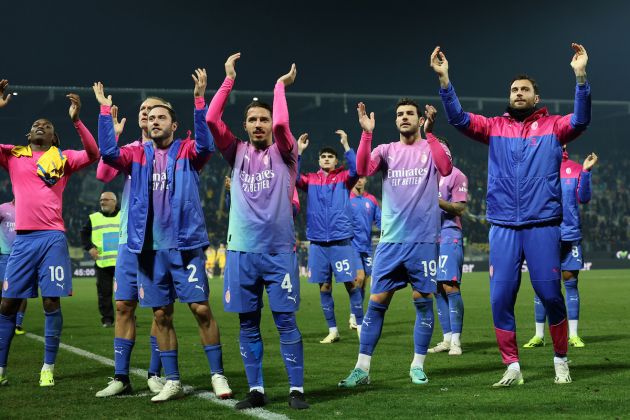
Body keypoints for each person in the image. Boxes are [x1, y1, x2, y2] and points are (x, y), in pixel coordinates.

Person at [431, 43, 591, 386]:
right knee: (500, 297)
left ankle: (561, 359)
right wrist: (445, 82)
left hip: (542, 225)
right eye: (514, 90)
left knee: (550, 295)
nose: (518, 94)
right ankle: (513, 366)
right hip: (503, 226)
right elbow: (459, 118)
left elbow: (581, 119)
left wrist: (580, 77)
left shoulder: (553, 126)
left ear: (536, 97)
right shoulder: (494, 127)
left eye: (525, 90)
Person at [94, 68, 232, 403]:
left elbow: (206, 144)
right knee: (160, 314)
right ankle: (172, 379)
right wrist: (102, 112)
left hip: (184, 246)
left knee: (200, 309)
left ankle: (217, 374)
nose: (155, 121)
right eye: (151, 117)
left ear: (173, 123)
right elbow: (108, 157)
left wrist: (200, 100)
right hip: (149, 249)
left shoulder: (188, 152)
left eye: (162, 117)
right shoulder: (136, 154)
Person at [206, 53, 308, 410]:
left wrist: (280, 86)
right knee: (248, 324)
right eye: (252, 119)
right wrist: (228, 79)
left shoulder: (286, 152)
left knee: (285, 322)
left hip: (279, 252)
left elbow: (282, 124)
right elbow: (210, 119)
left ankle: (296, 390)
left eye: (263, 118)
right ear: (245, 125)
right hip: (241, 253)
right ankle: (257, 389)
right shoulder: (235, 153)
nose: (260, 124)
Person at [338, 99, 453, 388]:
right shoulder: (386, 150)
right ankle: (362, 369)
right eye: (400, 114)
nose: (404, 118)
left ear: (419, 119)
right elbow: (363, 168)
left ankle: (417, 365)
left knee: (423, 303)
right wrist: (366, 134)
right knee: (376, 304)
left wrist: (430, 133)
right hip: (390, 242)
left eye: (409, 114)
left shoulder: (431, 146)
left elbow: (446, 168)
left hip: (422, 242)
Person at [0, 80, 99, 387]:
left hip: (53, 237)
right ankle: (1, 368)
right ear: (28, 135)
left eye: (46, 125)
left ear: (54, 137)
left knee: (50, 303)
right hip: (24, 239)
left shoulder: (63, 157)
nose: (40, 125)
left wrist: (77, 121)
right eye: (35, 124)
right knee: (7, 304)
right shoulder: (13, 154)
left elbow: (94, 153)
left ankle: (48, 367)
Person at [93, 99, 170, 397]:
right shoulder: (130, 151)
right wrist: (111, 135)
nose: (145, 112)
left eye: (152, 109)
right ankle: (121, 377)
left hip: (159, 241)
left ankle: (154, 373)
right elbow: (102, 175)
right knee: (124, 306)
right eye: (142, 109)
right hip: (129, 239)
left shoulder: (168, 149)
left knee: (160, 311)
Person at [524, 149, 597, 348]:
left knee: (570, 282)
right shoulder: (538, 169)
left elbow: (584, 198)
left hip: (570, 234)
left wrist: (587, 172)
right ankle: (539, 335)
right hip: (545, 235)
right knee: (542, 285)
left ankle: (573, 335)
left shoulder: (575, 169)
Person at [296, 131, 361, 343]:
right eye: (323, 156)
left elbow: (357, 169)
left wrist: (346, 145)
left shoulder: (344, 178)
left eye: (330, 157)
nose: (326, 158)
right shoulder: (311, 179)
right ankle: (333, 330)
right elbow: (294, 178)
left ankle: (360, 324)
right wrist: (299, 152)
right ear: (319, 160)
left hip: (340, 240)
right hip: (317, 242)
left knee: (351, 284)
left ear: (335, 161)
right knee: (324, 287)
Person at [428, 140, 468, 356]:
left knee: (450, 286)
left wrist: (436, 199)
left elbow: (459, 208)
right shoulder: (425, 173)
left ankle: (457, 341)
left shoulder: (456, 175)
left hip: (449, 233)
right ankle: (446, 338)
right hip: (428, 237)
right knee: (436, 289)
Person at [80, 192, 120, 328]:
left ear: (114, 202)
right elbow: (83, 233)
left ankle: (127, 316)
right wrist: (89, 247)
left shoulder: (124, 215)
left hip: (122, 262)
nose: (103, 202)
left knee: (126, 293)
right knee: (104, 293)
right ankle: (107, 319)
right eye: (101, 200)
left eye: (106, 200)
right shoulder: (93, 218)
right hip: (102, 262)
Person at [348, 177, 381, 330]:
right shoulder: (346, 197)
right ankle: (354, 316)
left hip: (366, 246)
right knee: (358, 278)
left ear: (366, 180)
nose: (359, 181)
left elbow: (379, 220)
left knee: (364, 283)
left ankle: (356, 313)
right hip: (351, 245)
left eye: (362, 178)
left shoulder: (371, 200)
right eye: (356, 178)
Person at [0, 200, 26, 336]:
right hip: (5, 255)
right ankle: (3, 320)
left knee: (23, 291)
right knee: (3, 290)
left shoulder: (29, 209)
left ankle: (18, 324)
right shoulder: (3, 208)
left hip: (23, 256)